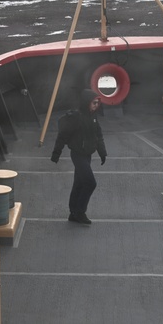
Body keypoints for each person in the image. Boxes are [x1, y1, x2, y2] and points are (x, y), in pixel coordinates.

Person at [51, 89, 107, 225]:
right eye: (94, 103)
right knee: (90, 183)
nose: (96, 105)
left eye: (98, 103)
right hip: (78, 155)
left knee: (79, 183)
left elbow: (98, 136)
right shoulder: (76, 118)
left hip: (87, 155)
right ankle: (80, 212)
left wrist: (102, 152)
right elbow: (62, 136)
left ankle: (73, 213)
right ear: (86, 102)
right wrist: (56, 153)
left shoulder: (93, 117)